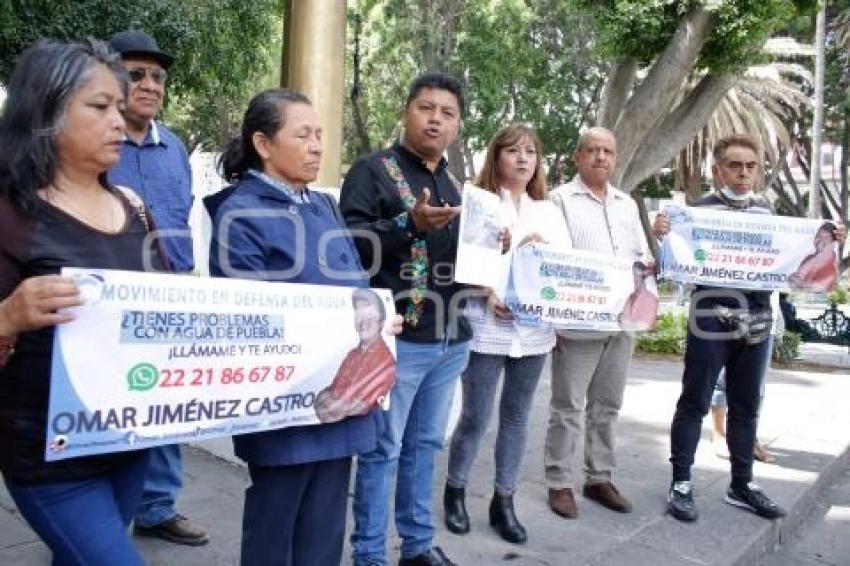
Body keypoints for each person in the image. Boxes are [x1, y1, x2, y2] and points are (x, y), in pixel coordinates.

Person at [206, 88, 401, 566]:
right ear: (264, 143)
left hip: (342, 397)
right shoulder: (241, 213)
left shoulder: (323, 206)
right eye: (303, 135)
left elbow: (354, 284)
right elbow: (250, 317)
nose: (317, 146)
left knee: (325, 528)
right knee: (275, 529)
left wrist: (378, 322)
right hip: (284, 405)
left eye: (320, 135)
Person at [0, 39, 166, 565]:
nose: (119, 121)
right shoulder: (11, 215)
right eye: (99, 106)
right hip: (50, 461)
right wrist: (9, 315)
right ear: (46, 111)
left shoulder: (135, 210)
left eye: (119, 107)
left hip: (128, 446)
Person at [653, 133, 846, 522]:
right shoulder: (696, 211)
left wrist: (831, 242)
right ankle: (682, 482)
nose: (743, 173)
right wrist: (663, 236)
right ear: (717, 169)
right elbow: (669, 265)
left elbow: (793, 262)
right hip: (709, 316)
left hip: (757, 318)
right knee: (695, 400)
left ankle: (741, 483)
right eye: (735, 165)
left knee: (746, 405)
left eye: (750, 166)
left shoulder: (767, 213)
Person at [340, 72, 478, 566]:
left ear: (458, 124)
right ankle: (370, 556)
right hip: (400, 338)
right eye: (426, 108)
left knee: (424, 447)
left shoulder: (456, 184)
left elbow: (462, 259)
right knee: (383, 450)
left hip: (451, 337)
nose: (436, 119)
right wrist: (408, 223)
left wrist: (492, 250)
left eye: (447, 112)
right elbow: (348, 244)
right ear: (406, 111)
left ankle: (417, 546)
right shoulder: (371, 171)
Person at [443, 124, 571, 544]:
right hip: (487, 324)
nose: (523, 158)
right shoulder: (478, 202)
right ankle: (455, 491)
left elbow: (563, 269)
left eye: (531, 152)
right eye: (513, 150)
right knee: (476, 416)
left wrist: (539, 250)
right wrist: (486, 291)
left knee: (517, 417)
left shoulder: (548, 210)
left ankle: (504, 500)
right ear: (496, 156)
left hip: (533, 331)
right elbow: (466, 259)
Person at [106, 29, 207, 547]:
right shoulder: (91, 140)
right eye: (135, 74)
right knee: (108, 405)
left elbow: (182, 212)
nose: (149, 84)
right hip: (110, 296)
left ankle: (156, 507)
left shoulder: (175, 147)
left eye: (158, 76)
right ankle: (99, 518)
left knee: (168, 403)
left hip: (171, 290)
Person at [545, 127, 649, 520]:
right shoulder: (559, 201)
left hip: (623, 322)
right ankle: (559, 482)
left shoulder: (627, 205)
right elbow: (552, 266)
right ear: (578, 157)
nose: (600, 157)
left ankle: (598, 477)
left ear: (615, 158)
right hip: (577, 323)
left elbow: (640, 256)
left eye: (608, 151)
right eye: (592, 150)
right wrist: (552, 321)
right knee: (567, 406)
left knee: (608, 405)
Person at [315, 288, 397, 423]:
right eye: (359, 316)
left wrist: (332, 405)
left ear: (381, 321)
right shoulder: (352, 355)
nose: (363, 322)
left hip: (354, 431)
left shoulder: (385, 362)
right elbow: (328, 393)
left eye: (370, 316)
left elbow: (356, 407)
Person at [789, 222, 840, 292]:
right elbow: (793, 281)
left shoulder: (831, 262)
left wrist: (801, 284)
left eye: (826, 238)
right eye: (819, 236)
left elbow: (820, 288)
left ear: (832, 242)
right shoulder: (809, 258)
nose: (820, 240)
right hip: (803, 300)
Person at [618, 261, 659, 331]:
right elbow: (623, 319)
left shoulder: (651, 299)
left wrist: (626, 321)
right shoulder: (631, 297)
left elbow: (644, 327)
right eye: (633, 275)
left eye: (636, 276)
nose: (634, 279)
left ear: (643, 277)